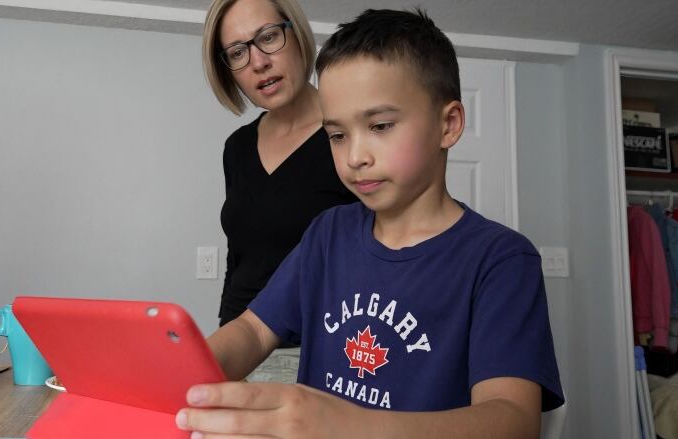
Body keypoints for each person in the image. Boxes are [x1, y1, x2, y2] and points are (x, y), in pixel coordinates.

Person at [178, 8, 564, 438]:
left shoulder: (501, 259)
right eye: (337, 136)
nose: (355, 156)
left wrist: (341, 424)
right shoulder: (328, 233)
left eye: (380, 125)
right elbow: (252, 329)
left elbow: (513, 419)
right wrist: (182, 375)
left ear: (448, 124)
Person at [202, 0, 357, 329]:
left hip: (317, 346)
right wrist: (224, 338)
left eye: (269, 37)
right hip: (237, 337)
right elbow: (239, 256)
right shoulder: (238, 146)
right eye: (237, 52)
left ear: (297, 35)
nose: (258, 62)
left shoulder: (348, 133)